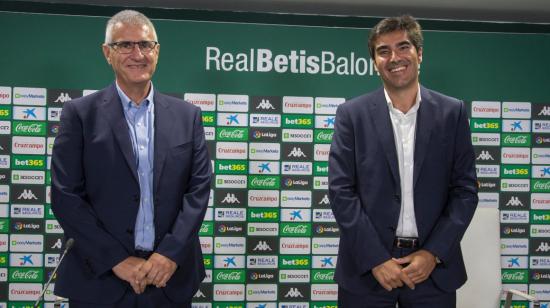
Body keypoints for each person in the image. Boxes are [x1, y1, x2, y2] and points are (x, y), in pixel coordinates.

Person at [51, 10, 212, 307]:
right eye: (125, 45)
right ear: (107, 53)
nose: (137, 54)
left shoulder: (188, 116)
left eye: (145, 45)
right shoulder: (79, 114)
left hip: (168, 278)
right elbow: (65, 196)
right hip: (99, 278)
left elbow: (198, 191)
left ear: (157, 51)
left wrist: (169, 254)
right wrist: (116, 259)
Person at [328, 15, 478, 307]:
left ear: (419, 54)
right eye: (383, 51)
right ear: (374, 61)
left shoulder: (453, 113)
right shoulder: (351, 115)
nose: (394, 57)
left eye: (403, 47)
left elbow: (465, 191)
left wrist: (432, 253)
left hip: (432, 272)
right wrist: (376, 259)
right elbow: (341, 191)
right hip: (367, 271)